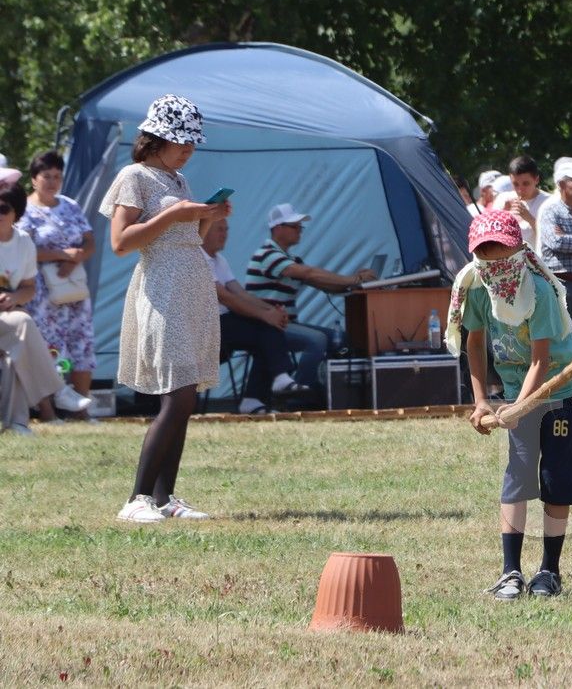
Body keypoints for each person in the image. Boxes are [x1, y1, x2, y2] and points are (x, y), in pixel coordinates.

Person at [100, 95, 227, 523]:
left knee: (186, 396)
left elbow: (189, 236)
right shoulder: (133, 176)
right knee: (176, 397)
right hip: (163, 289)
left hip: (191, 287)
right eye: (182, 142)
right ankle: (136, 498)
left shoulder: (177, 180)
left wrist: (208, 215)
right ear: (156, 138)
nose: (189, 150)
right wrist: (177, 217)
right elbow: (122, 242)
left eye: (192, 143)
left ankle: (164, 497)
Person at [452, 210, 572, 600]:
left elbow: (540, 362)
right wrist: (482, 402)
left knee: (555, 480)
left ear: (518, 251)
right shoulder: (478, 288)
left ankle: (549, 571)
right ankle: (510, 571)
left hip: (562, 393)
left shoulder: (540, 291)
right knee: (519, 474)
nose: (495, 266)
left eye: (502, 256)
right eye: (486, 257)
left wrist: (519, 407)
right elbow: (474, 344)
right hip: (518, 393)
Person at [245, 203, 375, 389]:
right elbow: (310, 274)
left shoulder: (290, 259)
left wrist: (357, 283)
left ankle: (324, 391)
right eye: (294, 226)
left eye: (300, 226)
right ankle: (296, 393)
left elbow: (324, 284)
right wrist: (354, 279)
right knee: (317, 340)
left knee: (341, 339)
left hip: (284, 325)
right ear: (278, 228)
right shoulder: (268, 255)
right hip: (267, 326)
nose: (300, 230)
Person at [19, 150, 97, 408]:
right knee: (47, 347)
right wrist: (61, 254)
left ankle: (81, 410)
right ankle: (49, 410)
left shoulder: (70, 205)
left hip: (74, 288)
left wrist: (76, 258)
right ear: (34, 179)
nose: (52, 182)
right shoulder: (25, 211)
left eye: (57, 176)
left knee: (81, 344)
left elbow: (89, 240)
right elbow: (24, 250)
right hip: (43, 292)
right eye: (46, 176)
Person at [203, 218, 298, 414]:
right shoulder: (197, 258)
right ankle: (276, 380)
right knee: (265, 327)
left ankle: (256, 398)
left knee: (268, 330)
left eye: (226, 229)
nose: (225, 234)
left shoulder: (220, 260)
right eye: (219, 229)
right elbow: (228, 298)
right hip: (206, 328)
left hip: (224, 323)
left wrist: (271, 311)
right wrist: (266, 315)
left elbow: (242, 294)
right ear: (203, 232)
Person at [0, 180, 71, 433]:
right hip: (11, 321)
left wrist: (15, 297)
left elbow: (29, 288)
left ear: (16, 212)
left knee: (16, 351)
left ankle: (16, 422)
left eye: (2, 208)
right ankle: (58, 390)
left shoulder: (24, 243)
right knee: (23, 324)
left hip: (6, 320)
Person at [536, 157, 572, 349]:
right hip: (561, 285)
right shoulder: (550, 211)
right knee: (561, 340)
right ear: (561, 184)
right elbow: (554, 241)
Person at [493, 156, 549, 249]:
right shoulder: (502, 199)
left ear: (536, 180)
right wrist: (501, 214)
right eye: (515, 184)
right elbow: (490, 234)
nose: (520, 189)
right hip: (509, 259)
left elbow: (551, 238)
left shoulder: (548, 202)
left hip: (535, 260)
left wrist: (529, 218)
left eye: (526, 183)